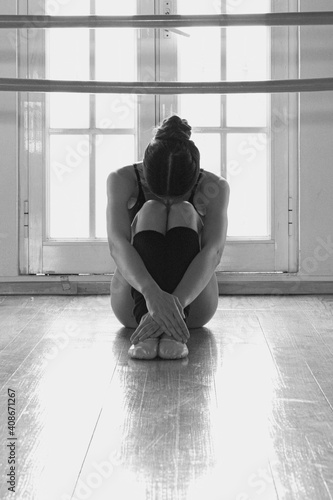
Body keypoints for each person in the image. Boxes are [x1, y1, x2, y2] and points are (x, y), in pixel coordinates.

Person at [106, 115, 229, 360]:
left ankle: (171, 328)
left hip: (191, 308)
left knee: (184, 209)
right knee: (152, 208)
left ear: (194, 178)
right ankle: (147, 322)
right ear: (146, 173)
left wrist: (172, 306)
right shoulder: (121, 179)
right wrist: (152, 296)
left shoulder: (216, 186)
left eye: (179, 193)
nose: (169, 200)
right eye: (161, 192)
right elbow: (117, 245)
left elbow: (213, 252)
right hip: (133, 306)